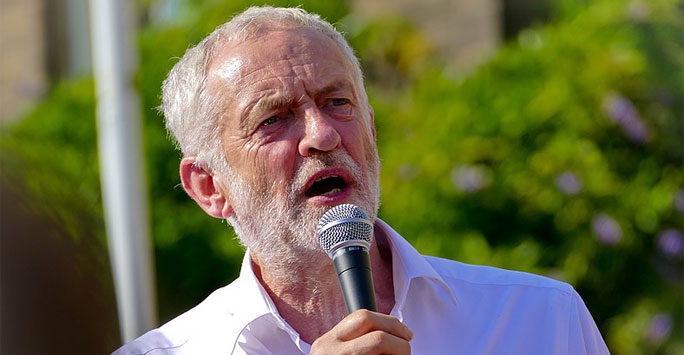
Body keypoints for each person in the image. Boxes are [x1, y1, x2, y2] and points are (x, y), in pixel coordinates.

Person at [114, 6, 609, 355]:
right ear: (208, 187)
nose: (323, 135)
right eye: (273, 119)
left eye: (337, 103)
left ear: (370, 129)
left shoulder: (540, 320)